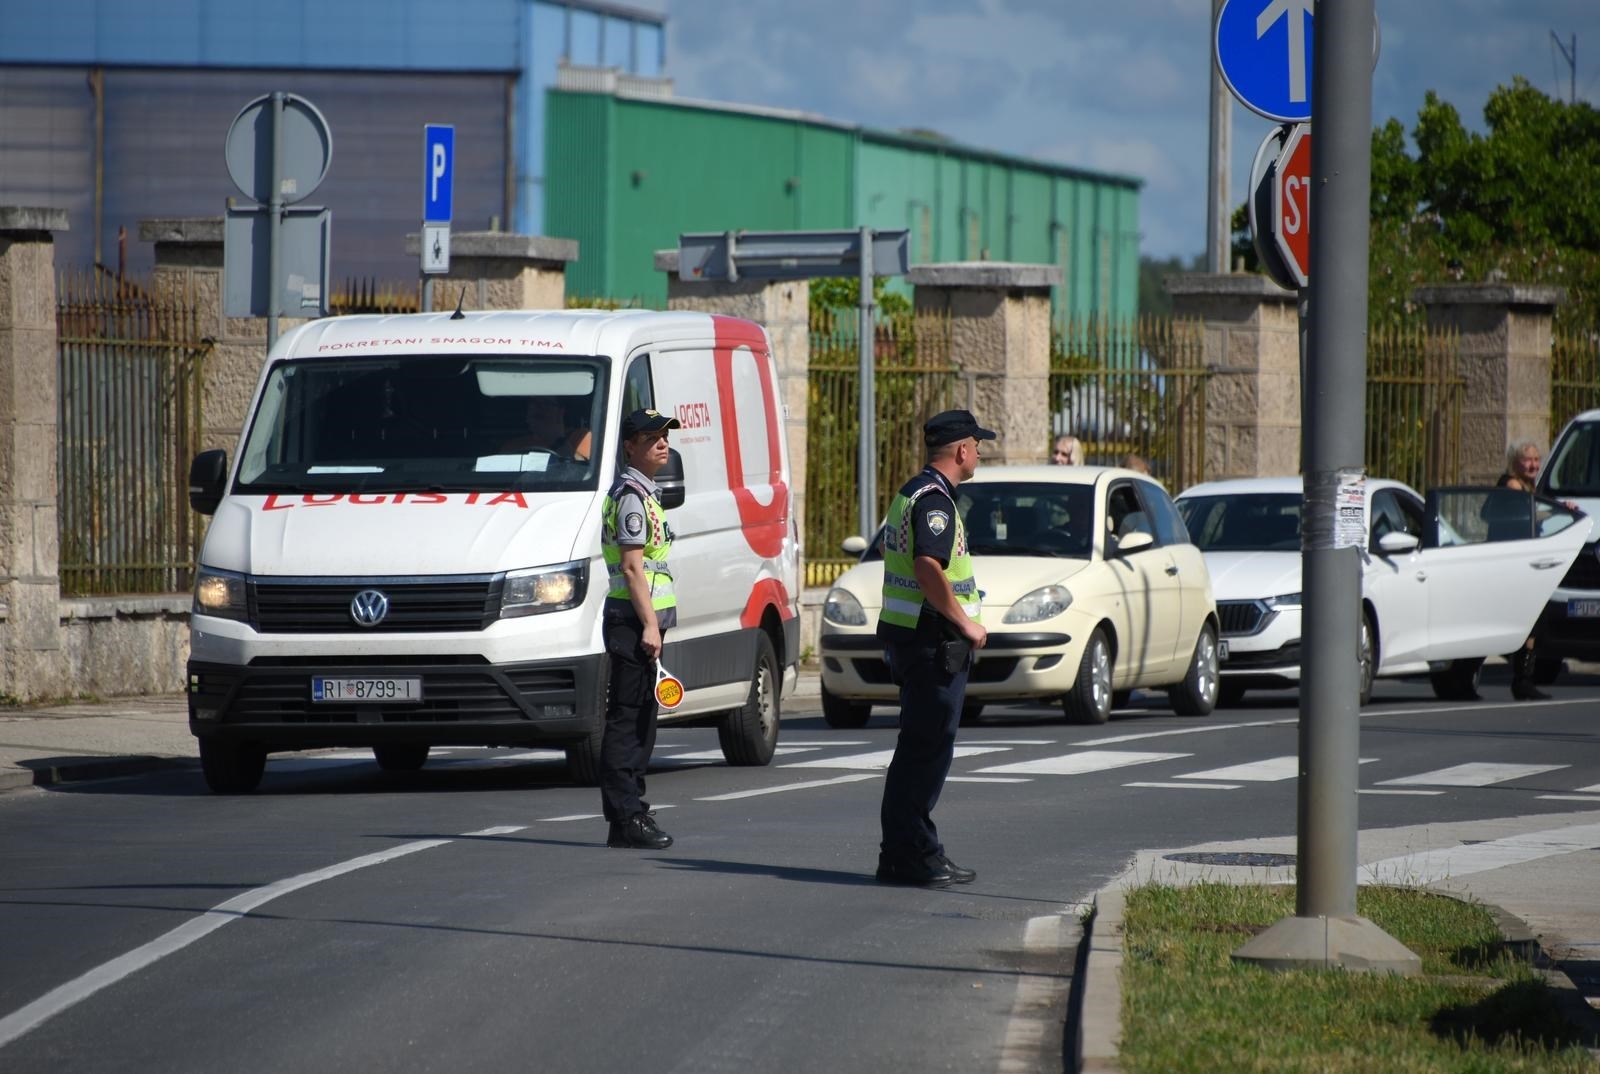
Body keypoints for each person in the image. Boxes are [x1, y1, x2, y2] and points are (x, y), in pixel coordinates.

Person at [874, 409, 994, 887]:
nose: (980, 452)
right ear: (961, 450)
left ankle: (902, 853)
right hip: (931, 642)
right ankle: (915, 854)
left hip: (912, 637)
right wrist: (964, 622)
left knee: (915, 751)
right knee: (926, 753)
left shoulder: (912, 492)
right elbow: (928, 566)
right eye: (977, 444)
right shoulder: (935, 502)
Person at [599, 408, 681, 848]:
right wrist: (650, 624)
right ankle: (626, 817)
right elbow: (633, 569)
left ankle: (632, 812)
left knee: (642, 721)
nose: (662, 443)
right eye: (652, 437)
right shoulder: (632, 495)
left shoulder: (646, 493)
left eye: (665, 436)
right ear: (631, 446)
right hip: (633, 622)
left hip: (641, 622)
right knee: (628, 721)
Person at [1497, 440, 1552, 701]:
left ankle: (1523, 678)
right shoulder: (1512, 486)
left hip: (1524, 564)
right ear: (1516, 462)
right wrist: (1556, 512)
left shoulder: (1527, 486)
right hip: (1513, 566)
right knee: (1528, 621)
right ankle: (1522, 680)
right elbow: (1525, 513)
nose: (1533, 465)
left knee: (1534, 622)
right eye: (1527, 460)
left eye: (1536, 459)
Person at [503, 395, 592, 460]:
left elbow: (582, 471)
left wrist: (557, 439)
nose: (538, 407)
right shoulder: (514, 446)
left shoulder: (581, 438)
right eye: (534, 403)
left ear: (560, 413)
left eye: (546, 403)